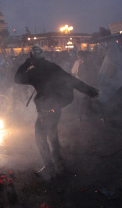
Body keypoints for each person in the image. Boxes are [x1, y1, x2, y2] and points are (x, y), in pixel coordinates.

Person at [14, 46, 99, 180]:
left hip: (45, 110)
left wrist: (26, 63)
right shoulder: (53, 67)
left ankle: (49, 168)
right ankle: (59, 164)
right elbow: (71, 80)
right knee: (52, 135)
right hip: (56, 108)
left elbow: (17, 78)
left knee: (40, 137)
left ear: (32, 59)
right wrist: (88, 90)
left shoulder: (34, 71)